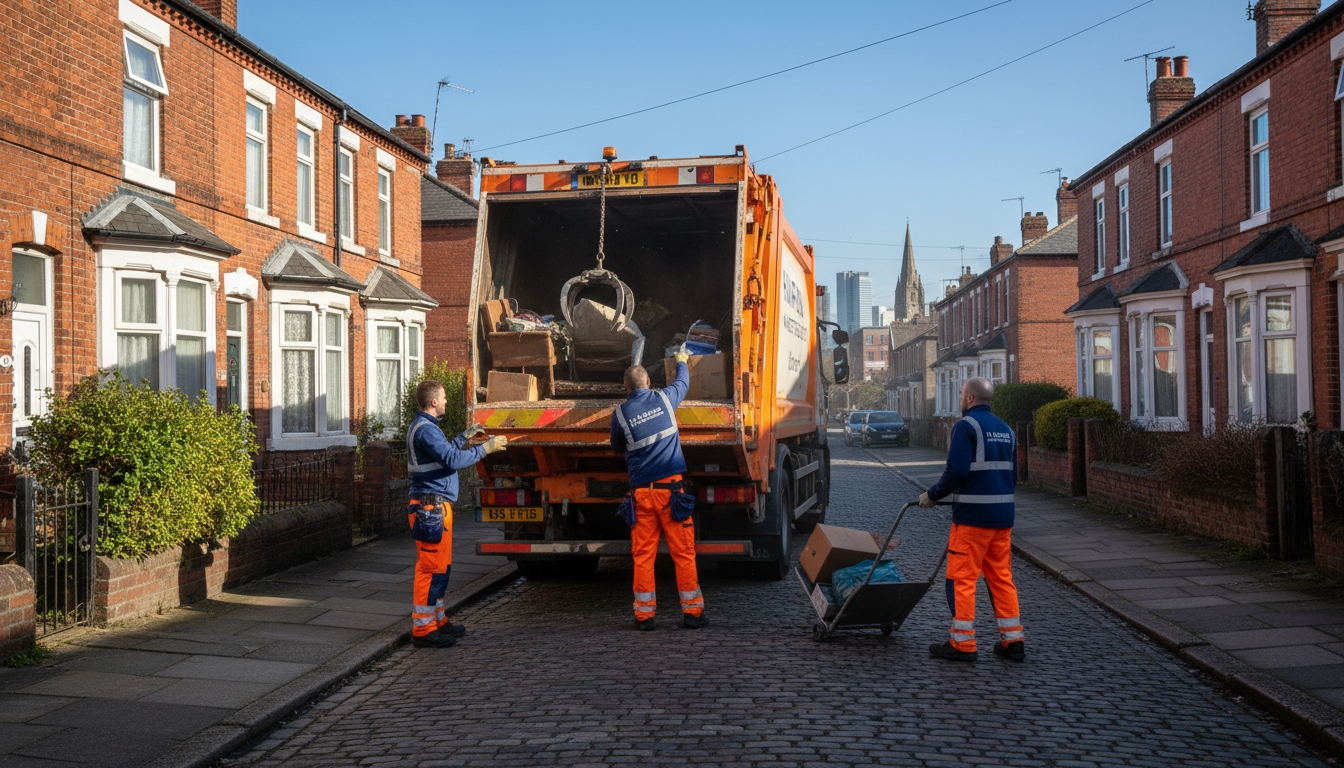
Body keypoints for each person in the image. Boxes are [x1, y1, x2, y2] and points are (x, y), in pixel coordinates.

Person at [919, 376, 1024, 662]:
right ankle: (1013, 641)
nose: (961, 400)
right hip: (1002, 520)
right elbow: (1013, 477)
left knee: (961, 580)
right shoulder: (1007, 430)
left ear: (970, 399)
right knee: (1001, 579)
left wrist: (932, 495)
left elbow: (956, 472)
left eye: (962, 394)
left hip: (972, 521)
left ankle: (962, 644)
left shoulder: (966, 427)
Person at [406, 379, 508, 648]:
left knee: (441, 568)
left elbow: (448, 451)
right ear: (434, 402)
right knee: (430, 569)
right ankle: (424, 630)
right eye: (444, 397)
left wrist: (465, 437)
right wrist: (485, 448)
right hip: (430, 508)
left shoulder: (428, 428)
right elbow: (452, 460)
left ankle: (437, 621)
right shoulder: (426, 430)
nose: (447, 402)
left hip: (436, 508)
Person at [611, 350, 708, 631]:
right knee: (683, 552)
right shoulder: (665, 399)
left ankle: (644, 617)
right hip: (671, 495)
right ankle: (693, 614)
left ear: (626, 388)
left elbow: (618, 447)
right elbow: (684, 382)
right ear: (649, 381)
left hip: (642, 496)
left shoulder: (620, 413)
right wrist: (681, 359)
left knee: (643, 556)